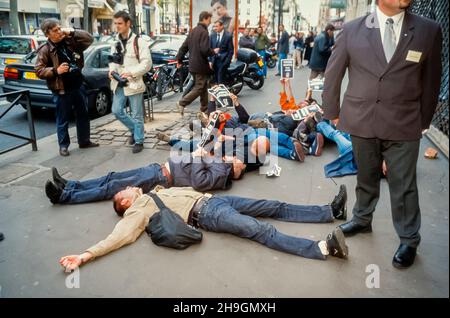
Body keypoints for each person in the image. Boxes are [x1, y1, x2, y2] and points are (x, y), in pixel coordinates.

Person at [322, 0, 442, 269]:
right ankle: (362, 219)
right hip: (361, 121)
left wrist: (422, 122)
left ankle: (409, 239)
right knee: (366, 176)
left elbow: (432, 80)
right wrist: (333, 111)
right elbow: (333, 73)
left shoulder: (428, 30)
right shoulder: (352, 30)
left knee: (404, 185)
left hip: (404, 124)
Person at [59, 185, 349, 271]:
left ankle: (329, 211)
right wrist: (86, 255)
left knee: (273, 205)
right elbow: (118, 236)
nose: (130, 186)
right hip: (208, 214)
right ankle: (322, 248)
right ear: (123, 201)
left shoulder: (154, 191)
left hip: (215, 200)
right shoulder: (137, 210)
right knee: (261, 230)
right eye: (125, 190)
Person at [44, 150, 246, 205]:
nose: (235, 157)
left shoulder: (222, 171)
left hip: (161, 177)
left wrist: (199, 158)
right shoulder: (220, 163)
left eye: (237, 159)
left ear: (236, 169)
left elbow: (200, 182)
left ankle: (63, 197)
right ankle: (70, 185)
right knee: (111, 177)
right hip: (158, 169)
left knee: (111, 187)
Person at [35, 18, 98, 157]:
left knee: (83, 115)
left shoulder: (71, 42)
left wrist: (71, 31)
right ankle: (63, 146)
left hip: (78, 85)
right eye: (55, 30)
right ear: (47, 34)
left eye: (59, 28)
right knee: (62, 119)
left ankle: (84, 141)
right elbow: (39, 70)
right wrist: (56, 70)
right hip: (61, 89)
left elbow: (89, 39)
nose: (59, 31)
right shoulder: (45, 50)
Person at [109, 11, 152, 154]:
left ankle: (139, 140)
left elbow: (147, 64)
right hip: (118, 82)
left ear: (128, 23)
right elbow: (112, 61)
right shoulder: (115, 42)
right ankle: (135, 130)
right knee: (116, 110)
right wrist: (111, 71)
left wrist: (131, 72)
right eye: (115, 23)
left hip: (133, 82)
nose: (117, 26)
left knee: (137, 114)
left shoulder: (139, 42)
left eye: (120, 23)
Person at [176, 11, 220, 115]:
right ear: (205, 19)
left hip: (193, 65)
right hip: (200, 65)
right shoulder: (204, 32)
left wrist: (179, 59)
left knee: (203, 88)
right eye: (209, 19)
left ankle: (204, 111)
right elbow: (204, 50)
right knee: (199, 87)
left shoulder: (193, 31)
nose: (210, 22)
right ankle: (182, 103)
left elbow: (184, 47)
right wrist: (213, 51)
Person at [210, 19, 234, 85]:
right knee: (214, 81)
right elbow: (210, 49)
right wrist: (210, 61)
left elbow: (231, 51)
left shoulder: (228, 36)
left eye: (216, 26)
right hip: (214, 62)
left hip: (223, 62)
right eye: (214, 26)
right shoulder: (212, 35)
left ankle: (222, 93)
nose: (215, 28)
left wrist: (227, 62)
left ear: (222, 26)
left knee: (221, 81)